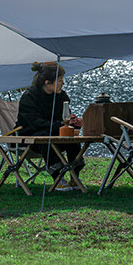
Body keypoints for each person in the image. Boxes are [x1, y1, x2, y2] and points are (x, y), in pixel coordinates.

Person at [15, 61, 85, 191]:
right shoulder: (29, 97)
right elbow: (35, 123)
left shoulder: (62, 96)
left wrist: (74, 123)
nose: (63, 83)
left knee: (72, 139)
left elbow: (65, 118)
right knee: (46, 137)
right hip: (30, 138)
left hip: (54, 134)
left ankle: (75, 177)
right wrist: (60, 124)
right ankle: (58, 178)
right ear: (47, 82)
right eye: (59, 80)